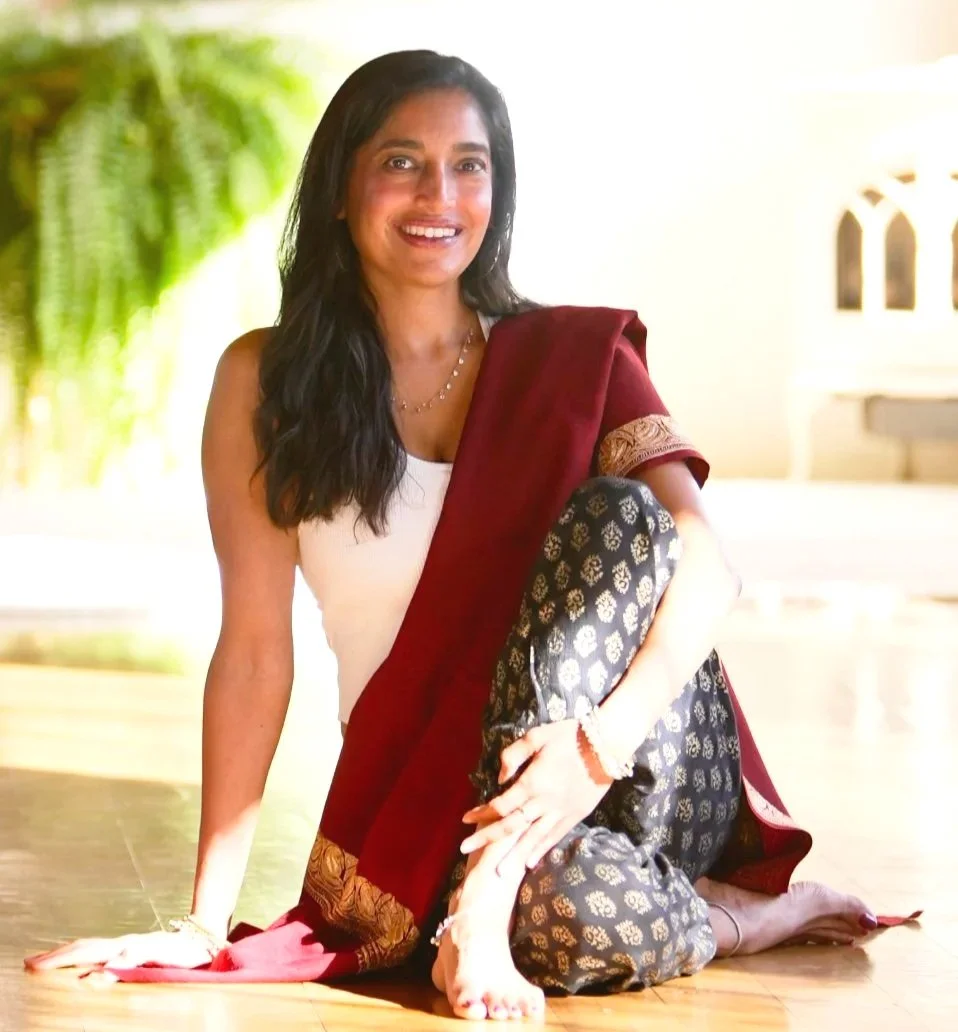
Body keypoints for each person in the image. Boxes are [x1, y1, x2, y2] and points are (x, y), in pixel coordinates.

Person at [25, 50, 918, 1023]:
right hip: (439, 808)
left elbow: (703, 562)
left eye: (469, 164)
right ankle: (739, 920)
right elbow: (252, 652)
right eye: (401, 161)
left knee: (622, 514)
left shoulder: (571, 360)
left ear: (498, 188)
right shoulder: (265, 384)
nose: (438, 193)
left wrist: (596, 744)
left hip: (643, 755)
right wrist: (203, 924)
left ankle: (489, 888)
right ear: (340, 187)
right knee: (567, 918)